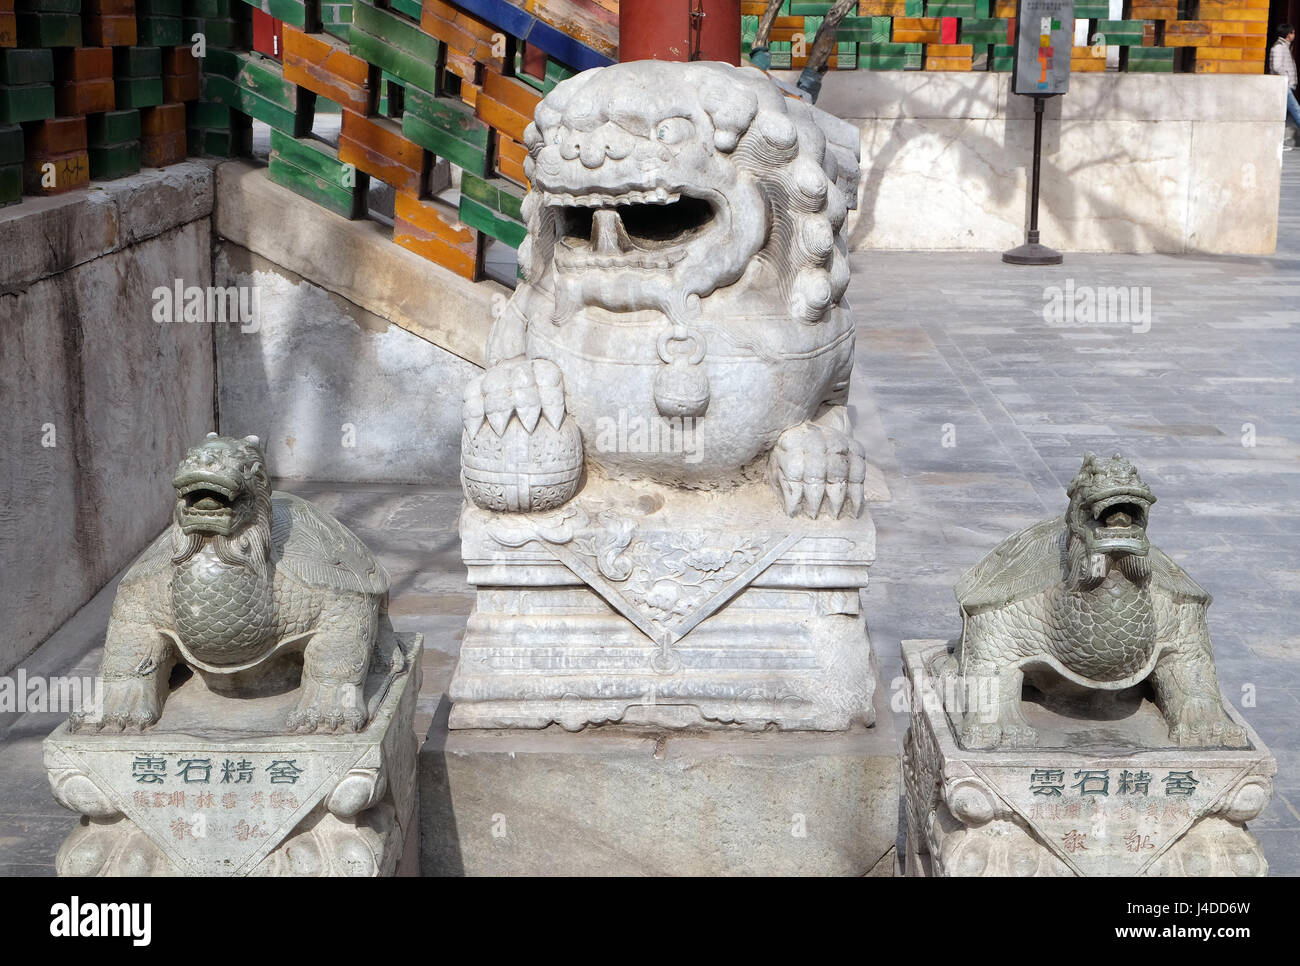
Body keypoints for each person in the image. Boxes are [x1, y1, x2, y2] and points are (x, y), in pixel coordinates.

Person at [1271, 24, 1299, 150]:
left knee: (1282, 115)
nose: (1294, 35)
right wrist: (1286, 78)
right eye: (1293, 33)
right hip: (1283, 86)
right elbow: (1277, 67)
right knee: (1297, 111)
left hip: (1286, 85)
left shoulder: (1285, 47)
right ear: (1288, 34)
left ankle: (1276, 140)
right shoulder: (1279, 47)